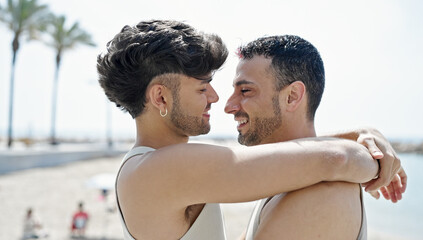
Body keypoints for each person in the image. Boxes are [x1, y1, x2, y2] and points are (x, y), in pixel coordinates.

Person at [97, 20, 403, 240]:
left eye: (244, 90)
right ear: (161, 97)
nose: (218, 100)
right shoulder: (164, 169)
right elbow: (336, 160)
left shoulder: (154, 166)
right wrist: (372, 157)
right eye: (203, 88)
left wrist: (359, 137)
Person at [225, 35, 407, 239]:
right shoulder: (294, 174)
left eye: (245, 91)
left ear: (292, 96)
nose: (228, 106)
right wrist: (357, 134)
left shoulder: (320, 194)